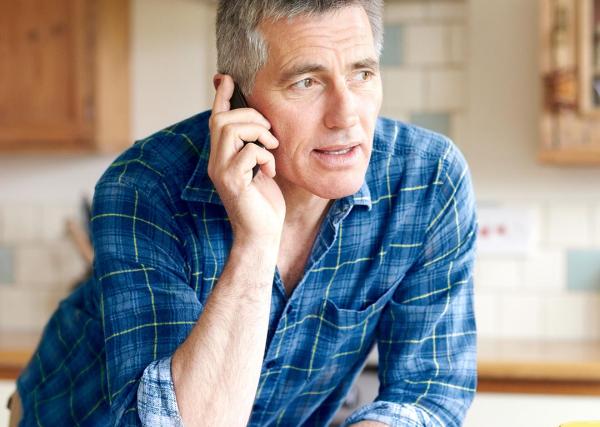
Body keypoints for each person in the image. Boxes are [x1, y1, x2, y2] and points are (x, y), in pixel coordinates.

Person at [9, 0, 478, 425]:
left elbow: (428, 392)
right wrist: (255, 242)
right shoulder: (144, 186)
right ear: (236, 99)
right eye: (306, 82)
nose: (346, 115)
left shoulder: (427, 180)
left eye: (362, 74)